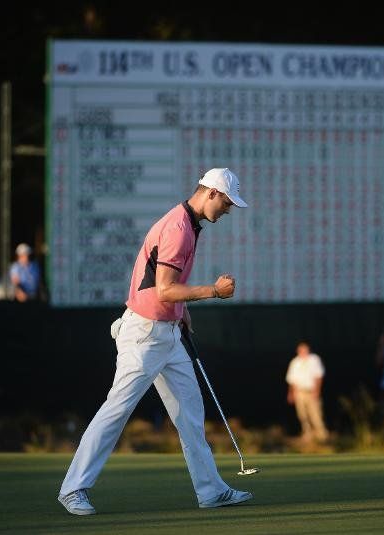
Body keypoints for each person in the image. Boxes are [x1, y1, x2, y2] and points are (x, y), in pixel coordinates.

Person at [58, 167, 251, 515]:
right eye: (226, 202)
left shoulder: (189, 224)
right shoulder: (179, 228)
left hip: (167, 333)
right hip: (144, 335)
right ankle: (73, 489)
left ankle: (211, 491)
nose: (228, 209)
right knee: (117, 410)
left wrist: (182, 311)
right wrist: (212, 292)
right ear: (210, 193)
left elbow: (165, 289)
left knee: (191, 414)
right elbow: (164, 289)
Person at [286, 341, 329, 442]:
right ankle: (307, 433)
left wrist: (317, 390)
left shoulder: (314, 359)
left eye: (304, 349)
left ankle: (321, 434)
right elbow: (291, 380)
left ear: (308, 350)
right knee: (302, 414)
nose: (303, 352)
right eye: (301, 350)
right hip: (299, 392)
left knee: (315, 413)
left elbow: (319, 376)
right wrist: (291, 393)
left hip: (311, 391)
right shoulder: (295, 362)